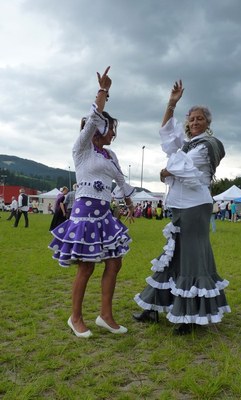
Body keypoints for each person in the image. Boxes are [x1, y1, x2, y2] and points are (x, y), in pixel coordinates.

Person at [133, 79, 230, 335]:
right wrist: (172, 104)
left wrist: (167, 170)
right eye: (192, 119)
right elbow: (167, 134)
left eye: (200, 119)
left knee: (192, 258)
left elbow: (183, 167)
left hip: (196, 208)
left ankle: (189, 316)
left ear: (208, 123)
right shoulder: (186, 146)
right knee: (172, 255)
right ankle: (154, 306)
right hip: (180, 205)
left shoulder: (209, 146)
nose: (195, 122)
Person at [49, 66, 135, 338]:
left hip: (106, 214)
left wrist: (130, 205)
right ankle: (75, 317)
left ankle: (105, 316)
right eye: (110, 128)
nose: (113, 133)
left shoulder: (110, 155)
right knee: (86, 266)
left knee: (114, 262)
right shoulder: (82, 150)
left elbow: (121, 182)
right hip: (85, 214)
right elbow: (93, 118)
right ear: (99, 128)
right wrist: (103, 92)